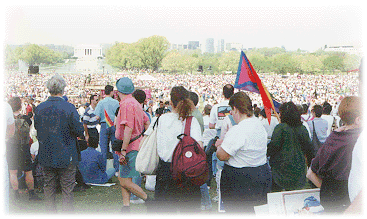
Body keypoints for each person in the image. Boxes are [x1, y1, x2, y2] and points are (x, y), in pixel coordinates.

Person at [145, 85, 203, 213]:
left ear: (171, 102)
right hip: (186, 171)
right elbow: (200, 147)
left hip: (165, 171)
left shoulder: (160, 120)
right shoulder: (191, 122)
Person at [34, 74, 84, 212]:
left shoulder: (39, 108)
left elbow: (38, 129)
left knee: (48, 187)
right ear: (63, 89)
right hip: (66, 154)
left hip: (46, 153)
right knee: (67, 189)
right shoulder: (69, 108)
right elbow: (79, 130)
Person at [215, 91, 271, 213]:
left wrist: (219, 145)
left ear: (235, 109)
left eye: (231, 109)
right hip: (260, 173)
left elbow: (222, 155)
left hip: (240, 180)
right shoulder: (258, 124)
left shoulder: (239, 129)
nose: (231, 113)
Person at [307, 96, 362, 214]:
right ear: (359, 119)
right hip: (349, 201)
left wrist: (328, 191)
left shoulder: (333, 137)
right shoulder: (359, 138)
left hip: (329, 197)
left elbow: (310, 173)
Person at [114, 77, 151, 213]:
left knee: (124, 180)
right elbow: (146, 121)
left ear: (118, 91)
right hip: (132, 143)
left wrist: (123, 150)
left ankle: (149, 200)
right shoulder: (134, 102)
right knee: (124, 177)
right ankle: (126, 207)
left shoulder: (126, 104)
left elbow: (128, 128)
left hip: (129, 145)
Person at [267, 101, 314, 192]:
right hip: (299, 169)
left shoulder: (280, 128)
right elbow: (309, 150)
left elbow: (273, 147)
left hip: (281, 170)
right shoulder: (302, 129)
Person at [6, 97, 41, 201]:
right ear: (20, 106)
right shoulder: (26, 118)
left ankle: (16, 194)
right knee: (28, 171)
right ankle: (31, 193)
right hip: (24, 146)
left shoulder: (8, 119)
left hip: (11, 147)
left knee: (13, 172)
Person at [208, 84, 234, 207]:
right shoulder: (235, 107)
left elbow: (211, 125)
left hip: (220, 136)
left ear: (223, 93)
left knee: (219, 165)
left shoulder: (216, 107)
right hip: (233, 135)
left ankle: (220, 193)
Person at [94, 85, 120, 173]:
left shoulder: (101, 103)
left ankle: (103, 170)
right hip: (113, 125)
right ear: (112, 92)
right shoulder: (116, 102)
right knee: (115, 149)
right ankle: (116, 170)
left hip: (104, 125)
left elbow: (97, 117)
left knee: (103, 150)